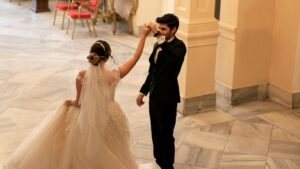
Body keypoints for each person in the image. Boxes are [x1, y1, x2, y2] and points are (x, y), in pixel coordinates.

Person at [4, 24, 151, 169]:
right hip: (111, 116)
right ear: (107, 58)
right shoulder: (115, 75)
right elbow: (135, 57)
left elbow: (79, 102)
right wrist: (143, 35)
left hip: (88, 116)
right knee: (115, 148)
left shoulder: (82, 76)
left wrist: (69, 102)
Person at [136, 14, 186, 169]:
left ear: (174, 29)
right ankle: (158, 162)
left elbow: (173, 59)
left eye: (164, 29)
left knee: (166, 134)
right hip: (155, 95)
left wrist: (159, 37)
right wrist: (143, 91)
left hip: (168, 97)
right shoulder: (158, 45)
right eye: (160, 28)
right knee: (155, 132)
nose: (161, 31)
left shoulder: (179, 47)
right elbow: (153, 70)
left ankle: (167, 165)